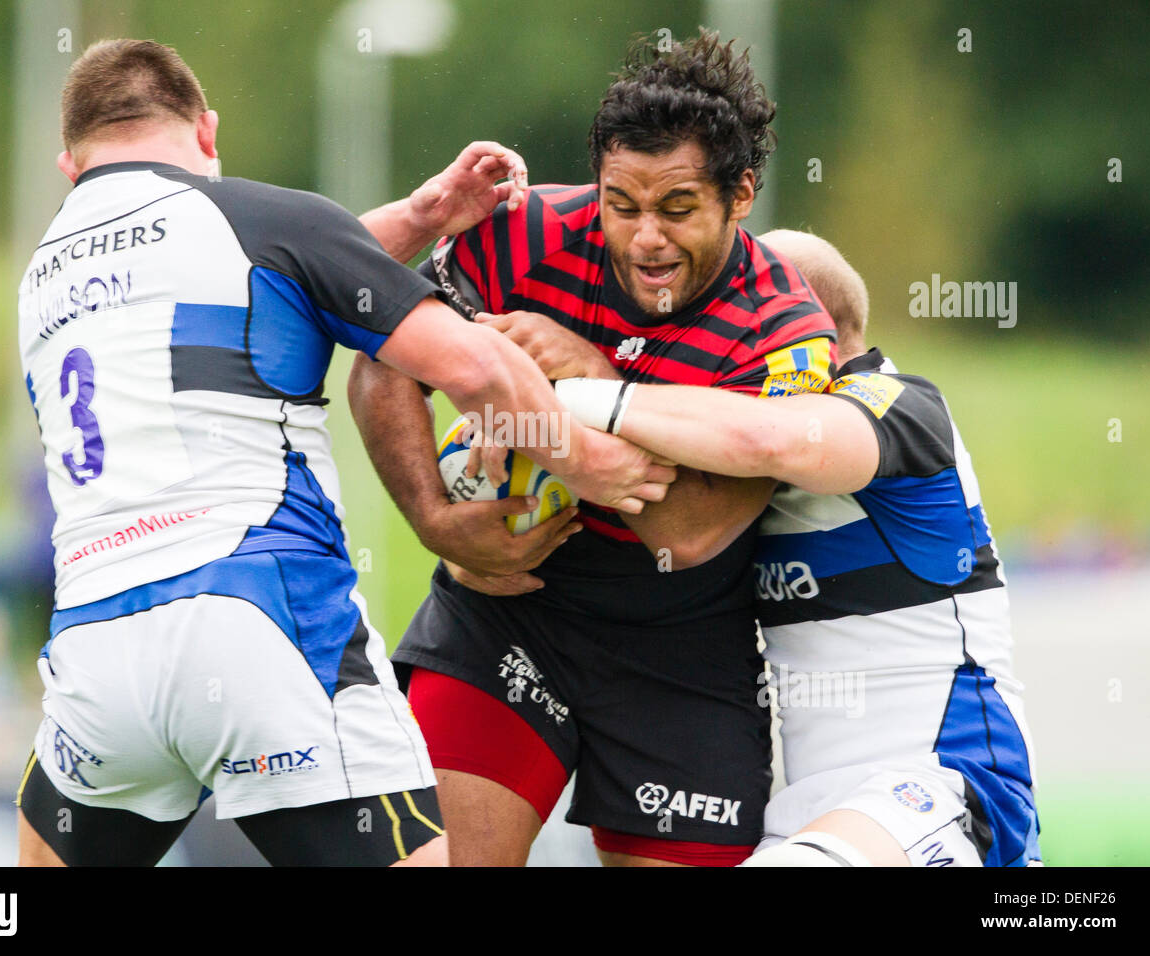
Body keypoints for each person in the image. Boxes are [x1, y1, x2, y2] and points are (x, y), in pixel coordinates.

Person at [14, 38, 672, 867]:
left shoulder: (43, 276)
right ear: (207, 132)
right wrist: (592, 463)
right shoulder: (260, 218)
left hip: (97, 654)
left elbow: (271, 278)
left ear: (71, 167)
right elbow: (472, 365)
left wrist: (421, 218)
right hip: (261, 626)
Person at [350, 30, 836, 866]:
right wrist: (434, 517)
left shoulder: (785, 333)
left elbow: (690, 531)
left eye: (677, 209)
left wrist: (588, 381)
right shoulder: (523, 233)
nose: (646, 238)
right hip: (505, 611)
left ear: (741, 194)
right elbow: (382, 363)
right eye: (622, 205)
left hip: (680, 642)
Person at [553, 229, 1041, 866]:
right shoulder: (730, 474)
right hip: (814, 812)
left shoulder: (902, 405)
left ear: (802, 326)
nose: (713, 344)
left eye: (732, 321)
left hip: (943, 783)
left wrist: (578, 387)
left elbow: (776, 441)